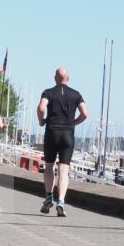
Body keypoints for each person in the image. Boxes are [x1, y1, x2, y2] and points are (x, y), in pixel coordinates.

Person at [37, 68, 88, 217]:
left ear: (55, 78)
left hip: (52, 132)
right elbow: (85, 113)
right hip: (67, 134)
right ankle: (61, 201)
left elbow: (41, 107)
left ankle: (48, 197)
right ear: (68, 78)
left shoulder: (48, 92)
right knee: (63, 170)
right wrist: (74, 122)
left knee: (49, 167)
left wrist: (41, 121)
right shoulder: (76, 94)